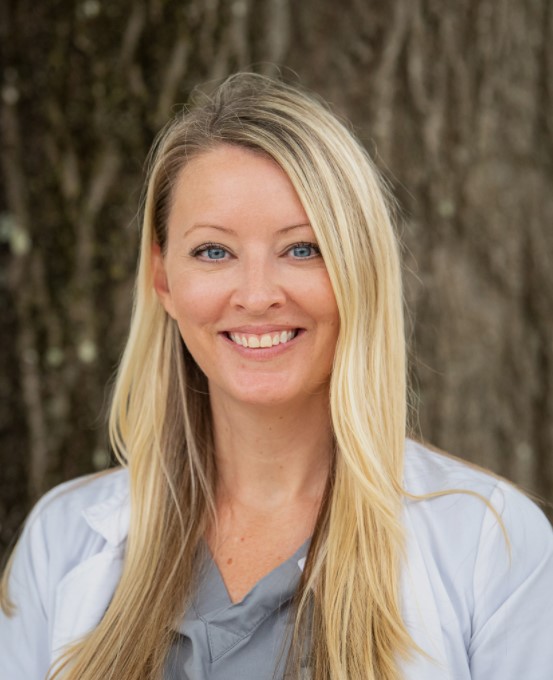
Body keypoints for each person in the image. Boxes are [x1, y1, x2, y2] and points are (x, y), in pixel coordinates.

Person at [1, 73, 552, 680]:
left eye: (301, 249)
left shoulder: (490, 545)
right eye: (214, 251)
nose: (257, 296)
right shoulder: (61, 542)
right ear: (163, 279)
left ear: (358, 269)